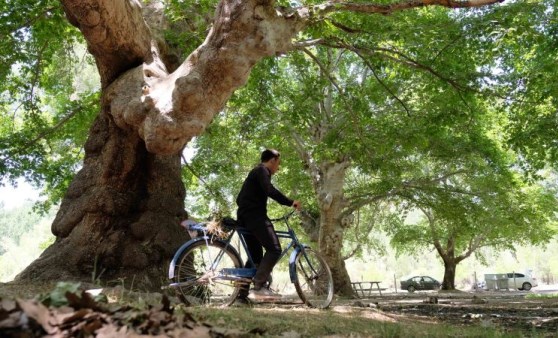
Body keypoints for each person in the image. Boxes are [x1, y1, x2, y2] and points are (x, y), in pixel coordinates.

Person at [236, 149, 301, 302]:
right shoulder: (262, 170)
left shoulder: (254, 173)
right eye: (278, 164)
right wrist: (291, 202)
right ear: (272, 160)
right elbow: (269, 190)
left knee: (255, 257)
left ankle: (241, 296)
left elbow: (239, 199)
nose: (278, 168)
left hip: (244, 217)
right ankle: (259, 286)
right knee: (274, 249)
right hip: (255, 217)